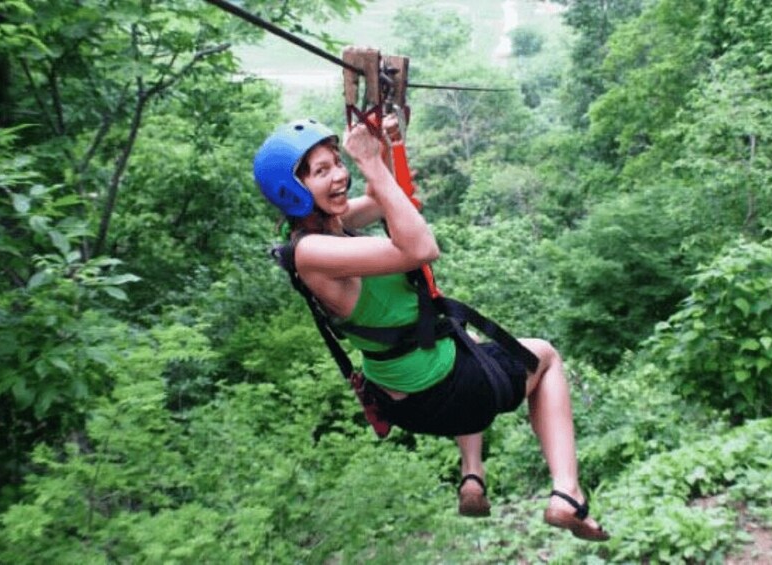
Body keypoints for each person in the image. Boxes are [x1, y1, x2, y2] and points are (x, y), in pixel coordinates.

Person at [253, 116, 608, 542]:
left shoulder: (332, 228)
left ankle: (472, 473)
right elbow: (421, 247)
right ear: (291, 190)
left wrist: (386, 147)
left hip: (409, 394)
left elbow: (396, 201)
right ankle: (567, 492)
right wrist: (370, 160)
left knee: (464, 341)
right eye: (321, 171)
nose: (340, 175)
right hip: (442, 393)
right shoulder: (311, 251)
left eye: (338, 162)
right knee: (544, 357)